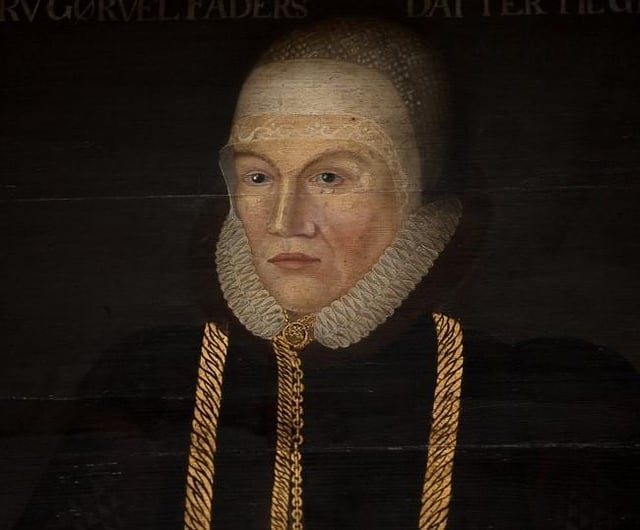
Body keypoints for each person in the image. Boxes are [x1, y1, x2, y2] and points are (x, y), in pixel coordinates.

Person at [17, 18, 639, 530]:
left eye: (331, 177)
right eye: (258, 176)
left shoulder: (547, 397)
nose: (286, 220)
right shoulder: (149, 379)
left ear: (419, 201)